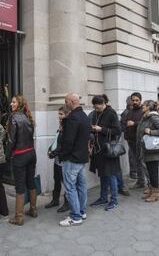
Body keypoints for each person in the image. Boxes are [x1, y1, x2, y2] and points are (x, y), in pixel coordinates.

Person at [57, 93, 90, 226]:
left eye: (66, 101)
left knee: (70, 187)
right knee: (81, 185)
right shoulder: (84, 116)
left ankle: (75, 216)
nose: (65, 104)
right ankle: (81, 211)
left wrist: (62, 155)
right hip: (82, 157)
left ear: (71, 101)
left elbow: (68, 141)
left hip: (72, 159)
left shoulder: (73, 117)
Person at [7, 95, 37, 226]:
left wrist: (7, 154)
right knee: (30, 183)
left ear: (19, 104)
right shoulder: (28, 117)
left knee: (19, 186)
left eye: (13, 102)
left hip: (20, 156)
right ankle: (33, 209)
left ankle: (19, 217)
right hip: (31, 153)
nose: (11, 104)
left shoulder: (14, 118)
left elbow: (11, 140)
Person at [89, 95, 121, 211]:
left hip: (109, 150)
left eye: (98, 107)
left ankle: (114, 200)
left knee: (111, 175)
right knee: (102, 174)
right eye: (95, 107)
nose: (96, 110)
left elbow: (117, 130)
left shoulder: (111, 113)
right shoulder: (96, 113)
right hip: (99, 149)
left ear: (104, 104)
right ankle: (103, 198)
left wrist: (101, 129)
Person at [137, 100, 159, 202]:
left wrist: (150, 131)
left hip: (152, 150)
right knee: (149, 171)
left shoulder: (153, 117)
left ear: (148, 107)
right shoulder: (145, 116)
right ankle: (151, 190)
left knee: (153, 172)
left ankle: (155, 193)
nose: (142, 106)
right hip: (146, 149)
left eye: (144, 105)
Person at [46, 106, 70, 213]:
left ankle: (67, 202)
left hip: (63, 160)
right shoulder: (61, 126)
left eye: (61, 114)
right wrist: (50, 149)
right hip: (57, 159)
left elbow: (64, 145)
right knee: (56, 180)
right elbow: (57, 142)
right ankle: (55, 200)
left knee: (65, 182)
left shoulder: (67, 128)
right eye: (59, 114)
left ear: (67, 115)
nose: (59, 116)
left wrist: (54, 153)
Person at [124, 92, 145, 189]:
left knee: (142, 162)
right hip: (131, 140)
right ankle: (140, 181)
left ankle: (148, 184)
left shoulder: (143, 111)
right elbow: (126, 122)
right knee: (136, 161)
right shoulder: (130, 111)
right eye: (133, 100)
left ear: (140, 100)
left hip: (140, 140)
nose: (135, 102)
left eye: (137, 100)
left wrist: (134, 123)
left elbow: (145, 123)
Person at [120, 96, 136, 180]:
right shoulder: (126, 112)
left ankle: (134, 172)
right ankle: (133, 172)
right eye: (132, 101)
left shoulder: (132, 111)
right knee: (132, 154)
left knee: (134, 155)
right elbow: (122, 126)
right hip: (130, 137)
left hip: (133, 136)